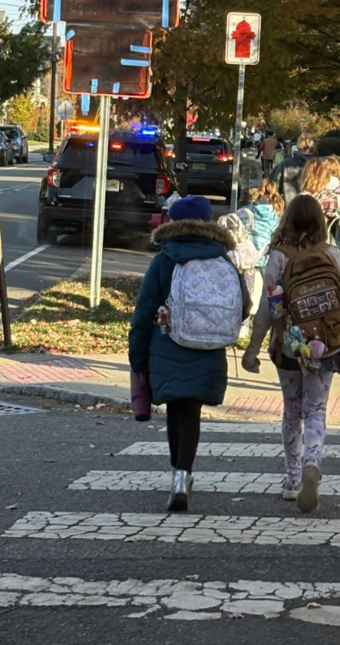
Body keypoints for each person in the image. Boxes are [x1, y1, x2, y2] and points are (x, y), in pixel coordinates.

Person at [129, 195, 251, 512]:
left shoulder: (165, 259)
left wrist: (137, 357)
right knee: (192, 413)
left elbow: (143, 313)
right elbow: (244, 306)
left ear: (174, 222)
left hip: (168, 345)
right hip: (209, 349)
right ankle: (185, 473)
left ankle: (178, 477)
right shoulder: (224, 260)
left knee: (176, 409)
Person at [241, 194, 340, 513]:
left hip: (289, 346)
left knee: (292, 409)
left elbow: (268, 307)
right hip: (327, 346)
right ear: (321, 222)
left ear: (287, 221)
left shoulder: (279, 257)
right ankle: (312, 463)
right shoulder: (333, 255)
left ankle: (292, 478)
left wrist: (253, 349)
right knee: (316, 409)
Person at [237, 179, 285, 309]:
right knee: (272, 289)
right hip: (268, 256)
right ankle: (274, 313)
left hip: (250, 256)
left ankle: (246, 315)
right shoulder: (278, 213)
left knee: (247, 290)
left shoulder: (248, 210)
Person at [271, 133, 317, 206]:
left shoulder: (286, 164)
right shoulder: (321, 166)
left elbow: (272, 185)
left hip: (291, 210)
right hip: (316, 211)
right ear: (314, 147)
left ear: (298, 146)